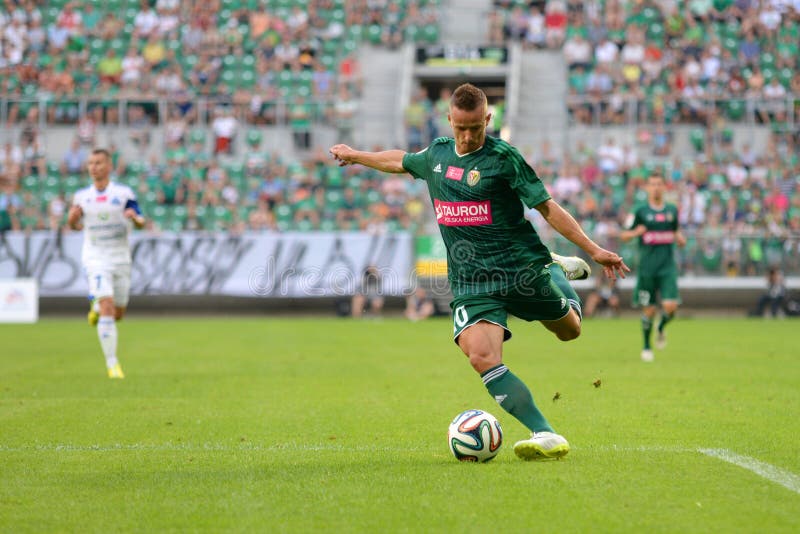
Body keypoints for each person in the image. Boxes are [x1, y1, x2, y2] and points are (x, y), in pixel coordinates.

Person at [330, 83, 629, 461]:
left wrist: (595, 249)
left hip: (519, 271)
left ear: (488, 119)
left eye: (476, 128)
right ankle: (545, 433)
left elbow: (548, 208)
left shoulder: (504, 158)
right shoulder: (436, 154)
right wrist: (356, 155)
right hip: (472, 281)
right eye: (462, 128)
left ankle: (553, 268)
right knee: (481, 357)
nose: (469, 136)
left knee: (570, 331)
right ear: (449, 119)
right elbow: (401, 160)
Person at [67, 149, 145, 379]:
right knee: (109, 305)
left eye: (98, 163)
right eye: (90, 163)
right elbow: (75, 226)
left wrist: (135, 218)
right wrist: (72, 220)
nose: (94, 167)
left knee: (118, 312)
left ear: (109, 166)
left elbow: (141, 221)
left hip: (120, 257)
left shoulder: (123, 194)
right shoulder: (82, 196)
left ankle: (97, 307)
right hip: (96, 256)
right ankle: (113, 364)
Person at [620, 174, 686, 363]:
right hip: (647, 268)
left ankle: (661, 327)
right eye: (653, 185)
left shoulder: (672, 210)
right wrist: (635, 232)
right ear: (647, 188)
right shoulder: (639, 211)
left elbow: (676, 232)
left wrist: (680, 238)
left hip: (667, 267)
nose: (656, 188)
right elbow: (623, 235)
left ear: (664, 187)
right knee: (648, 310)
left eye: (659, 184)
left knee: (671, 307)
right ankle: (647, 347)